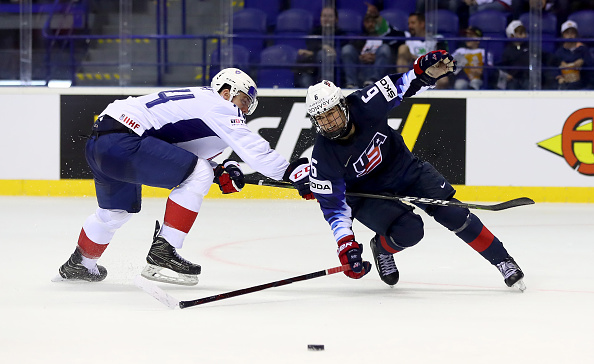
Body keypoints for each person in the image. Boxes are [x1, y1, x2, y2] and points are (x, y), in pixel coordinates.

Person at [55, 68, 313, 285]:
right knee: (198, 172)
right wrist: (291, 172)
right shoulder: (219, 106)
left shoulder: (197, 103)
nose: (244, 111)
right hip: (125, 141)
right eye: (244, 101)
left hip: (101, 141)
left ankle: (80, 264)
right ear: (227, 92)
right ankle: (164, 251)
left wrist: (220, 170)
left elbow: (176, 152)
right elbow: (253, 151)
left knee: (116, 212)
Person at [304, 50, 526, 290]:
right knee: (410, 230)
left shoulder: (366, 103)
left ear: (343, 105)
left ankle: (503, 260)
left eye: (332, 114)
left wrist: (424, 74)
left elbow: (402, 85)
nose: (329, 122)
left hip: (402, 168)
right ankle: (381, 247)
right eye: (322, 118)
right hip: (365, 194)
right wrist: (346, 246)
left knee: (454, 214)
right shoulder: (323, 157)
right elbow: (334, 209)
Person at [341, 4, 406, 88]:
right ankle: (351, 84)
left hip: (380, 75)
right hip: (361, 71)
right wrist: (360, 57)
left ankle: (374, 82)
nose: (371, 24)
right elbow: (350, 53)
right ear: (364, 23)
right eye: (368, 22)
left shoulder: (388, 38)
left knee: (385, 49)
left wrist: (377, 57)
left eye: (373, 22)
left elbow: (399, 39)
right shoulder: (360, 39)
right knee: (347, 49)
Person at [295, 6, 346, 88]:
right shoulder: (314, 32)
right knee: (305, 78)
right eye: (324, 16)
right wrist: (324, 46)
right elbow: (311, 46)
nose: (327, 19)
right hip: (314, 68)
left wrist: (314, 52)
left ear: (336, 19)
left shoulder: (341, 34)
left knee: (324, 54)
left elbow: (341, 51)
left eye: (330, 16)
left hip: (335, 69)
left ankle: (325, 87)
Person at [396, 12, 449, 88]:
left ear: (422, 24)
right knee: (402, 48)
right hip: (412, 70)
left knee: (444, 80)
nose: (409, 26)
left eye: (413, 23)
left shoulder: (437, 38)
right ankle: (404, 85)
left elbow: (444, 57)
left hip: (431, 70)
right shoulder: (406, 37)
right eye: (408, 24)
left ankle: (433, 95)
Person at [553, 20, 592, 90]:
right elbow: (553, 68)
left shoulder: (583, 50)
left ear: (576, 34)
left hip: (581, 83)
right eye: (567, 33)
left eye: (572, 33)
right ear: (563, 35)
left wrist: (583, 62)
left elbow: (591, 67)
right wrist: (558, 77)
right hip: (565, 83)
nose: (570, 35)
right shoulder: (559, 52)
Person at [497, 20, 529, 90]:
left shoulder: (530, 48)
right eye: (521, 33)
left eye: (524, 33)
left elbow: (544, 56)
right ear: (512, 35)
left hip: (527, 78)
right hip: (512, 79)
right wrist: (506, 75)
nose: (524, 36)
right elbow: (502, 65)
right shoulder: (507, 51)